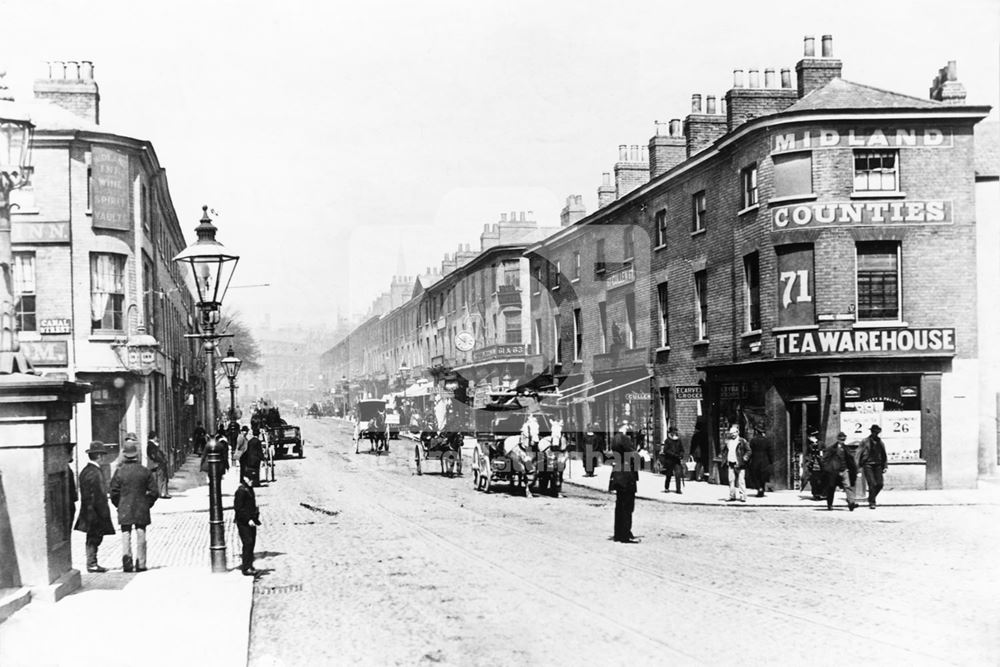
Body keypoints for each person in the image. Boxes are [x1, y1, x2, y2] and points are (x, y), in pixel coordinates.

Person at [110, 439, 158, 572]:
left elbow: (113, 492)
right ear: (136, 455)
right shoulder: (145, 471)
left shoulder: (119, 472)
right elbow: (154, 492)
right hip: (141, 507)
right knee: (141, 533)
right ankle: (141, 564)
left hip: (125, 508)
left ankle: (127, 564)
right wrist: (147, 503)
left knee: (126, 534)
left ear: (124, 455)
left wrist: (118, 504)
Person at [74, 441, 116, 573]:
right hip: (95, 512)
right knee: (94, 538)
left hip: (89, 510)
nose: (104, 458)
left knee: (92, 537)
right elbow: (99, 495)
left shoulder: (85, 471)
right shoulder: (95, 472)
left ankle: (92, 562)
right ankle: (92, 563)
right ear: (98, 456)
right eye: (102, 455)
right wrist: (103, 513)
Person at [609, 422, 639, 543]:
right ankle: (625, 534)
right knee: (627, 506)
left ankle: (619, 533)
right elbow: (632, 455)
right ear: (623, 426)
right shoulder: (625, 439)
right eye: (627, 425)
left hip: (618, 474)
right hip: (626, 475)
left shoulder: (615, 438)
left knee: (620, 505)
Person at [822, 432, 858, 511]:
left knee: (848, 486)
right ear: (838, 439)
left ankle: (851, 503)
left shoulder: (846, 449)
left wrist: (852, 469)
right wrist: (828, 468)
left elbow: (850, 460)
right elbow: (825, 459)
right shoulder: (832, 448)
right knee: (831, 487)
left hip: (844, 470)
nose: (842, 440)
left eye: (844, 439)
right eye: (841, 439)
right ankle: (830, 504)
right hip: (834, 472)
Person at [234, 471, 261, 576]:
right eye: (250, 479)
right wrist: (248, 519)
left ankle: (249, 565)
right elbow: (239, 509)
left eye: (253, 480)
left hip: (251, 521)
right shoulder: (241, 491)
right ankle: (246, 568)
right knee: (248, 543)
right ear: (245, 478)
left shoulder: (249, 489)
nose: (252, 481)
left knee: (252, 543)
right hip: (243, 522)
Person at [857, 424, 888, 509]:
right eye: (874, 432)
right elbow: (858, 453)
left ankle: (871, 497)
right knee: (872, 483)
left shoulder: (880, 441)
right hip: (868, 464)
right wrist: (857, 465)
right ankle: (872, 502)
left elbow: (884, 454)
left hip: (878, 465)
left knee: (880, 484)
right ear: (871, 432)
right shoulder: (865, 441)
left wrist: (885, 465)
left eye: (877, 432)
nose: (876, 434)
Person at [719, 425, 751, 502]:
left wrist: (745, 457)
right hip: (730, 463)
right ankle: (732, 495)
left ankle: (743, 496)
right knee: (731, 480)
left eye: (734, 433)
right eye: (731, 433)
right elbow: (724, 451)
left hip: (740, 463)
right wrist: (723, 458)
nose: (732, 434)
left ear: (737, 432)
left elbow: (749, 451)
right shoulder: (728, 442)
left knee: (741, 481)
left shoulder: (742, 441)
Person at [747, 425, 774, 498]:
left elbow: (750, 451)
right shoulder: (767, 441)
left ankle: (759, 488)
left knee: (756, 475)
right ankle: (762, 488)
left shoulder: (753, 440)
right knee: (763, 476)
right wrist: (771, 461)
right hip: (765, 461)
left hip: (755, 460)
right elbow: (770, 452)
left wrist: (748, 460)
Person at [659, 425, 685, 493]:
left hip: (677, 461)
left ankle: (678, 489)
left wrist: (681, 455)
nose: (675, 432)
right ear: (670, 432)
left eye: (675, 431)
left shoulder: (678, 440)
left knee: (678, 474)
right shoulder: (667, 440)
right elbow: (666, 450)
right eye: (673, 431)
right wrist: (674, 455)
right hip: (669, 460)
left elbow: (682, 449)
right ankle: (666, 487)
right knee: (669, 474)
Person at [146, 430, 171, 499]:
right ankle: (162, 493)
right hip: (157, 464)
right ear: (154, 437)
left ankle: (160, 492)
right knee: (161, 478)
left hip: (155, 464)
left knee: (158, 478)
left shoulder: (151, 445)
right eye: (156, 437)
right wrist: (162, 460)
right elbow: (154, 455)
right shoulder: (151, 445)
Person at [801, 428, 825, 499]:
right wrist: (807, 461)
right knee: (813, 480)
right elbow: (808, 454)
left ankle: (821, 493)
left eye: (810, 437)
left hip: (820, 464)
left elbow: (824, 452)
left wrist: (822, 458)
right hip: (812, 465)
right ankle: (815, 494)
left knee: (820, 480)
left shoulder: (821, 443)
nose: (809, 438)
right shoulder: (810, 445)